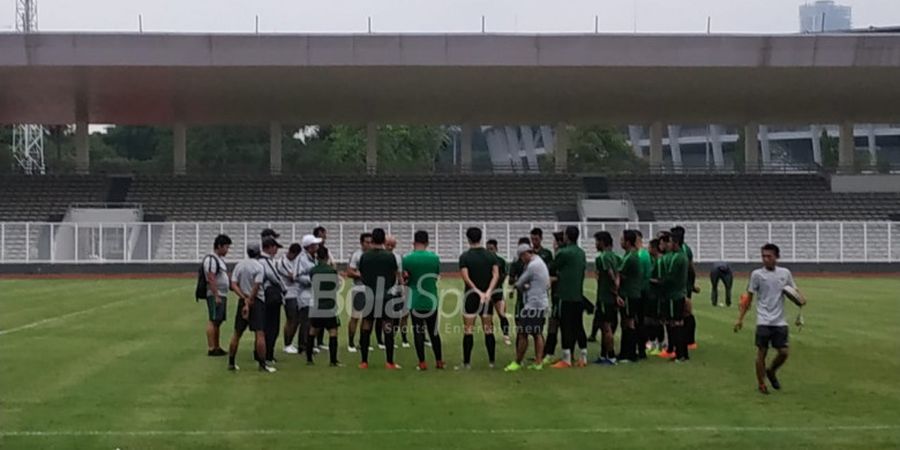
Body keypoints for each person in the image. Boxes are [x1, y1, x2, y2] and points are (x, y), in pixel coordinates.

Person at [734, 243, 805, 395]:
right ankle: (761, 384)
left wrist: (801, 299)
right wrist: (740, 319)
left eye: (769, 256)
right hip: (763, 320)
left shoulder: (785, 273)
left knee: (784, 352)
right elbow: (749, 298)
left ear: (776, 257)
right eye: (763, 256)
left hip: (780, 321)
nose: (765, 259)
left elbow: (794, 290)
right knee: (761, 352)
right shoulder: (756, 275)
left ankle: (771, 371)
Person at [357, 228, 402, 369]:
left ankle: (364, 361)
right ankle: (389, 362)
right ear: (383, 240)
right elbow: (394, 275)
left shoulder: (365, 256)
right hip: (386, 295)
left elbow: (362, 275)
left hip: (369, 294)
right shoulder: (390, 256)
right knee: (387, 327)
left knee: (366, 326)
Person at [458, 227, 501, 369]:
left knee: (468, 330)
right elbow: (496, 275)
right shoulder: (491, 256)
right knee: (488, 329)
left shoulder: (465, 257)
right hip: (487, 298)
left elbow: (466, 278)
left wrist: (477, 292)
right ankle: (492, 361)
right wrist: (488, 292)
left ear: (468, 239)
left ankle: (467, 362)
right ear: (481, 238)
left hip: (471, 296)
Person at [402, 230, 445, 370]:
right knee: (433, 331)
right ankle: (439, 361)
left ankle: (422, 362)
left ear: (414, 242)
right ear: (427, 242)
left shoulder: (407, 258)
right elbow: (436, 275)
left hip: (415, 299)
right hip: (431, 298)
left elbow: (405, 278)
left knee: (418, 331)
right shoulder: (434, 258)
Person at [504, 244, 550, 372]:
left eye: (521, 257)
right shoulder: (539, 261)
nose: (521, 260)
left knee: (523, 333)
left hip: (533, 304)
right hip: (540, 302)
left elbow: (519, 283)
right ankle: (538, 362)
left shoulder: (533, 266)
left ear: (525, 254)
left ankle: (518, 362)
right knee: (537, 333)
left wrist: (521, 287)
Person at [227, 244, 271, 372]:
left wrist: (244, 298)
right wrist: (250, 300)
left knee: (237, 333)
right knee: (259, 333)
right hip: (256, 301)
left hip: (243, 299)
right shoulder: (259, 266)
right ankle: (262, 364)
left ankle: (231, 362)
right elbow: (257, 285)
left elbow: (234, 284)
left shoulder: (239, 265)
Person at [550, 226, 588, 369]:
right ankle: (583, 357)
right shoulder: (581, 253)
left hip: (564, 295)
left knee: (566, 326)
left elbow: (552, 267)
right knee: (578, 325)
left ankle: (566, 358)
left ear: (566, 236)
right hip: (578, 295)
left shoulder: (563, 252)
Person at [307, 245, 342, 366]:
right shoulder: (331, 271)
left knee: (312, 330)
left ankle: (309, 359)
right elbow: (336, 286)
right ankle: (333, 360)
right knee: (333, 331)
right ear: (327, 256)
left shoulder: (313, 270)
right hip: (329, 305)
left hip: (316, 304)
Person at [592, 231, 620, 365]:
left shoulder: (602, 258)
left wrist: (614, 289)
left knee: (606, 327)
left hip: (605, 297)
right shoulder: (615, 257)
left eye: (597, 241)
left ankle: (611, 356)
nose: (596, 244)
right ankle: (604, 355)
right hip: (611, 298)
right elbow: (618, 273)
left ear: (602, 242)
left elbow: (610, 274)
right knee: (608, 326)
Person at [660, 232, 690, 362]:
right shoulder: (681, 257)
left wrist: (658, 282)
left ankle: (680, 354)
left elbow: (670, 277)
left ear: (676, 243)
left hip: (673, 295)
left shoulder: (677, 258)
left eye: (670, 242)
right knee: (678, 323)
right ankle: (682, 353)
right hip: (678, 293)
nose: (669, 244)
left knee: (675, 324)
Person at [258, 236, 287, 366]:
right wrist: (284, 289)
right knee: (272, 327)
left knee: (263, 327)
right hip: (270, 297)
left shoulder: (258, 260)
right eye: (275, 247)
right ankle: (268, 354)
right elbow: (274, 276)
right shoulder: (266, 261)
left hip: (262, 296)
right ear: (269, 248)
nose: (276, 250)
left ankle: (262, 353)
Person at [203, 234, 231, 356]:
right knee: (213, 319)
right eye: (226, 247)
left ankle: (217, 346)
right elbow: (211, 277)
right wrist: (216, 295)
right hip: (216, 293)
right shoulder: (211, 259)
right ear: (219, 246)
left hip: (221, 293)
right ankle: (211, 347)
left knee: (218, 320)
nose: (227, 250)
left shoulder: (219, 260)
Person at [671, 226, 700, 351]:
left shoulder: (681, 251)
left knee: (683, 313)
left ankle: (686, 342)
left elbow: (691, 267)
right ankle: (688, 341)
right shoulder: (686, 248)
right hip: (685, 284)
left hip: (682, 285)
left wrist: (691, 284)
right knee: (685, 312)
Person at [617, 229, 643, 363]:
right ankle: (625, 352)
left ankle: (630, 353)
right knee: (626, 322)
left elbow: (619, 274)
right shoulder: (629, 255)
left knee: (629, 323)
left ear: (628, 242)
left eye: (622, 240)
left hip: (629, 294)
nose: (620, 242)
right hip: (631, 293)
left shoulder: (630, 257)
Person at [346, 233, 373, 353]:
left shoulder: (373, 255)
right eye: (367, 242)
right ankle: (351, 343)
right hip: (359, 289)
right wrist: (362, 275)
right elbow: (349, 272)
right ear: (362, 243)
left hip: (371, 289)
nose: (369, 244)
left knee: (367, 318)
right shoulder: (357, 255)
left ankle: (363, 342)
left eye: (371, 242)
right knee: (355, 316)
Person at [295, 235, 320, 356]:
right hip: (304, 295)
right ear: (309, 246)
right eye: (315, 244)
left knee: (311, 321)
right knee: (305, 321)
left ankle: (310, 344)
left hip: (312, 294)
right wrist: (312, 280)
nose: (317, 246)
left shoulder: (312, 258)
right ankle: (303, 346)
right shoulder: (301, 259)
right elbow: (297, 276)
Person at [486, 239, 512, 346]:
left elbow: (504, 274)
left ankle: (506, 335)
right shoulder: (485, 261)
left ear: (496, 249)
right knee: (488, 316)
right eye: (488, 249)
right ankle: (490, 337)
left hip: (497, 291)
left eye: (491, 249)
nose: (489, 251)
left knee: (501, 314)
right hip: (487, 292)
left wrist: (496, 283)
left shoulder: (500, 261)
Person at [543, 231, 564, 362]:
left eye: (555, 241)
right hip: (557, 295)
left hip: (560, 296)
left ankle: (549, 353)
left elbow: (561, 276)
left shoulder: (561, 256)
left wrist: (548, 280)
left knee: (554, 323)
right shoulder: (559, 255)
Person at [386, 235, 410, 349]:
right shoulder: (381, 257)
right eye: (388, 244)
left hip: (395, 291)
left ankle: (393, 338)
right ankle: (383, 340)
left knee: (396, 317)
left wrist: (403, 289)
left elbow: (399, 274)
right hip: (383, 291)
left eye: (392, 245)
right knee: (383, 317)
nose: (390, 247)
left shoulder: (397, 257)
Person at [278, 243, 302, 355]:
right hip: (288, 294)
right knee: (291, 319)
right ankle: (287, 344)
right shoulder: (282, 262)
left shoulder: (296, 260)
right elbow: (292, 276)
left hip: (297, 293)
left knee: (297, 320)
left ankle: (291, 343)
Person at [312, 226, 332, 351]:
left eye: (324, 235)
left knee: (323, 311)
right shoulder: (314, 249)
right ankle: (310, 342)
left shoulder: (324, 249)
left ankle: (319, 341)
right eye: (321, 235)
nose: (324, 237)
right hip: (315, 285)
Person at [634, 230, 652, 360]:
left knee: (638, 321)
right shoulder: (645, 254)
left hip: (640, 291)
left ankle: (641, 349)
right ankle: (642, 347)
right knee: (641, 320)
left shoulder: (640, 256)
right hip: (644, 290)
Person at [644, 238, 664, 356]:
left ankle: (660, 344)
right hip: (651, 295)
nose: (648, 249)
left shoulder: (659, 261)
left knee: (656, 321)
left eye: (650, 247)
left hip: (657, 296)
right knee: (650, 321)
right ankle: (653, 343)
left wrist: (648, 280)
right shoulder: (653, 260)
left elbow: (661, 280)